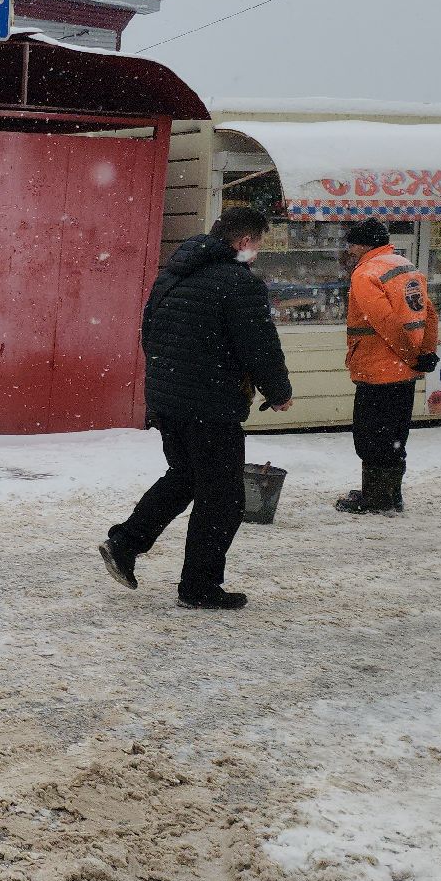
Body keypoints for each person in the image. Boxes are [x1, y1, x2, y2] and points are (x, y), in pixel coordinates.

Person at [98, 206, 293, 610]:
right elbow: (259, 346)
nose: (256, 253)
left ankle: (125, 543)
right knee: (223, 498)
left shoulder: (173, 273)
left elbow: (149, 333)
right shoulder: (239, 284)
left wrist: (172, 380)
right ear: (244, 243)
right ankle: (199, 586)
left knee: (186, 475)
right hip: (211, 405)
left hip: (170, 398)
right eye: (257, 244)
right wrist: (278, 391)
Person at [334, 219, 438, 515]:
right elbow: (429, 313)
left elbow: (385, 322)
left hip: (379, 368)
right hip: (406, 372)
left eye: (352, 244)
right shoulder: (406, 267)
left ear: (364, 244)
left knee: (369, 437)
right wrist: (425, 353)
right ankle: (392, 494)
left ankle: (376, 499)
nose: (350, 250)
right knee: (395, 435)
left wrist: (408, 354)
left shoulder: (366, 273)